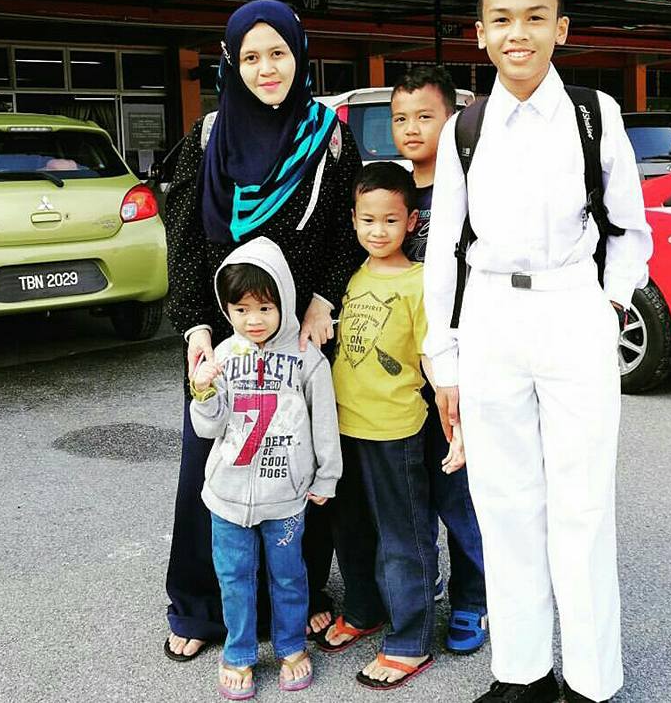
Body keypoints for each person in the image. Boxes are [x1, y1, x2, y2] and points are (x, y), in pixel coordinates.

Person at [423, 0, 653, 703]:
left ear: (562, 27)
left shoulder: (594, 116)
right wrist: (445, 359)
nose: (516, 33)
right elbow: (445, 251)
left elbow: (630, 230)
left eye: (534, 16)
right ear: (479, 32)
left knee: (582, 506)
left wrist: (606, 305)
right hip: (491, 316)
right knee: (504, 502)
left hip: (571, 309)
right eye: (501, 19)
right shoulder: (466, 129)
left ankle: (590, 682)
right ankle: (521, 673)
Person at [163, 0, 363, 662]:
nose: (266, 68)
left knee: (297, 461)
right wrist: (196, 329)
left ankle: (295, 600)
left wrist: (324, 299)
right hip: (228, 337)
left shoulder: (330, 137)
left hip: (298, 337)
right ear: (231, 63)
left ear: (300, 55)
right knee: (212, 465)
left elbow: (347, 230)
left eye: (278, 52)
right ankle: (200, 605)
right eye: (250, 56)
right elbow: (185, 238)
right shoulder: (208, 136)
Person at [189, 236, 342, 699]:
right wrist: (203, 390)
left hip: (286, 496)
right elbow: (208, 428)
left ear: (284, 303)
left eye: (265, 308)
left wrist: (327, 475)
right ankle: (238, 652)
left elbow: (324, 421)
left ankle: (291, 646)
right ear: (227, 309)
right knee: (234, 578)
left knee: (289, 575)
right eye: (241, 310)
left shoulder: (306, 357)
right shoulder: (221, 357)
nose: (253, 320)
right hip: (227, 495)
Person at [316, 161, 436, 690]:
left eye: (390, 220)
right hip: (344, 428)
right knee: (351, 530)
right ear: (354, 220)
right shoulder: (351, 276)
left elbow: (434, 357)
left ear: (411, 222)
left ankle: (410, 639)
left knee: (402, 535)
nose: (378, 231)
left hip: (396, 430)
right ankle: (364, 610)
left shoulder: (421, 282)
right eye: (368, 220)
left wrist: (457, 414)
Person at [391, 66, 488, 654]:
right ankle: (422, 584)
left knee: (460, 490)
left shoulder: (472, 191)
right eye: (400, 118)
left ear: (452, 120)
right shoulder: (392, 196)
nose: (412, 128)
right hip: (403, 374)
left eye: (425, 116)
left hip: (459, 362)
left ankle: (474, 597)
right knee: (413, 485)